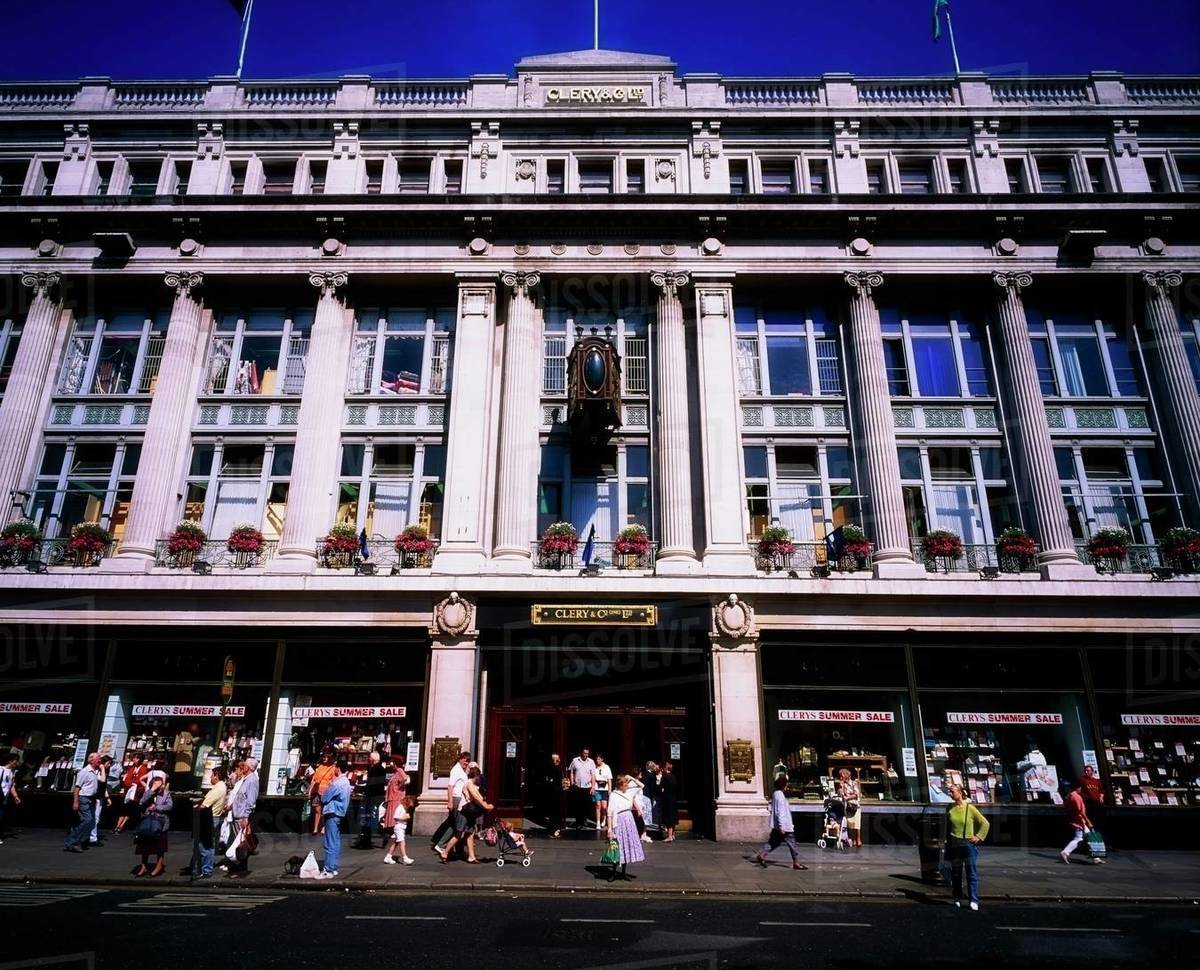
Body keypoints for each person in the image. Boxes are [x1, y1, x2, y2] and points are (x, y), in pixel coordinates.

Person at [944, 784, 989, 911]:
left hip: (968, 844)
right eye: (950, 792)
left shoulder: (970, 808)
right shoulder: (949, 808)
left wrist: (978, 837)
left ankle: (973, 900)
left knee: (971, 874)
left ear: (960, 793)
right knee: (956, 874)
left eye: (952, 792)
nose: (950, 794)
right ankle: (957, 898)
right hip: (954, 844)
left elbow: (985, 823)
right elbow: (947, 827)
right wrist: (946, 843)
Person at [437, 766, 491, 864]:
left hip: (469, 813)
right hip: (463, 812)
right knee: (459, 834)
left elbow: (479, 797)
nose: (479, 779)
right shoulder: (469, 783)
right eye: (478, 776)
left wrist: (485, 804)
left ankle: (471, 856)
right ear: (476, 775)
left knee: (470, 833)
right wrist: (486, 806)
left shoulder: (473, 784)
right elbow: (476, 797)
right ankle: (445, 852)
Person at [754, 774, 805, 870]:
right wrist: (782, 826)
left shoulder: (775, 794)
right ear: (783, 785)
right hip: (785, 826)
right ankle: (796, 862)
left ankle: (762, 855)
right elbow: (780, 812)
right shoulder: (780, 796)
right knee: (792, 844)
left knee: (773, 842)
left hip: (777, 826)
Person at [188, 764, 226, 879]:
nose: (210, 778)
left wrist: (195, 806)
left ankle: (206, 870)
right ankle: (197, 868)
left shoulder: (218, 789)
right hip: (213, 818)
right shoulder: (221, 787)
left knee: (205, 846)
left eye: (212, 776)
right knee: (203, 844)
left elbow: (205, 805)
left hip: (209, 818)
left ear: (217, 776)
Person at [605, 774, 645, 881]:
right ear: (620, 785)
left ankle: (623, 872)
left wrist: (631, 778)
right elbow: (609, 813)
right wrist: (610, 829)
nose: (627, 786)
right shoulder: (613, 795)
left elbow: (642, 785)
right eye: (625, 784)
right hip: (618, 821)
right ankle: (613, 872)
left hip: (629, 820)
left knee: (626, 845)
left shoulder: (629, 792)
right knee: (617, 847)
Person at [225, 757, 259, 879]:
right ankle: (237, 868)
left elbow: (251, 801)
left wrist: (246, 817)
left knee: (241, 845)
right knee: (238, 843)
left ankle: (241, 870)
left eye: (244, 765)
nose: (242, 766)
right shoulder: (246, 779)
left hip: (242, 817)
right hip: (237, 815)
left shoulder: (252, 781)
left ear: (248, 767)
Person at [430, 751, 471, 852]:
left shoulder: (461, 770)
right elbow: (450, 786)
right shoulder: (456, 770)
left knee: (453, 823)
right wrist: (450, 801)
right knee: (456, 824)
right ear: (460, 759)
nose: (466, 763)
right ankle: (441, 844)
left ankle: (443, 844)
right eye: (465, 761)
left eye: (468, 762)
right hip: (456, 799)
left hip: (459, 799)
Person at [133, 775, 172, 878]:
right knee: (144, 846)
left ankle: (159, 866)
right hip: (147, 822)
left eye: (161, 783)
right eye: (157, 783)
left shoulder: (166, 794)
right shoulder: (148, 793)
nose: (160, 786)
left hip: (160, 822)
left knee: (160, 847)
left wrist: (157, 807)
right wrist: (152, 789)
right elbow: (142, 801)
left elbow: (169, 806)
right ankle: (144, 866)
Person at [318, 761, 351, 879]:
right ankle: (334, 867)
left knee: (329, 842)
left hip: (332, 813)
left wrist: (325, 791)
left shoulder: (337, 783)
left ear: (338, 768)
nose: (334, 769)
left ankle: (328, 870)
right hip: (339, 814)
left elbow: (324, 797)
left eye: (335, 767)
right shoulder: (346, 782)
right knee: (336, 841)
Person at [64, 752, 102, 853]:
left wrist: (102, 769)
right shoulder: (85, 771)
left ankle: (77, 841)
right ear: (91, 760)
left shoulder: (95, 771)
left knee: (89, 821)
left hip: (91, 799)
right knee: (87, 820)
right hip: (84, 798)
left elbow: (102, 780)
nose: (100, 760)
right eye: (98, 758)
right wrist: (75, 802)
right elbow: (77, 788)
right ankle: (73, 842)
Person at [1060, 782, 1102, 865]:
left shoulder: (1068, 796)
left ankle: (1096, 857)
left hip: (1076, 819)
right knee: (1079, 838)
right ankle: (1065, 852)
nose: (1081, 789)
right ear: (1077, 787)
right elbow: (1081, 811)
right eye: (1080, 787)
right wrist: (1088, 822)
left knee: (1090, 837)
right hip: (1079, 821)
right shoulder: (1076, 796)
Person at [382, 767, 414, 866]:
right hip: (399, 826)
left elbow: (404, 778)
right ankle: (405, 857)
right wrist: (404, 818)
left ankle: (388, 856)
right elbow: (396, 817)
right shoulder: (400, 807)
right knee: (402, 842)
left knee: (396, 842)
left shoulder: (398, 772)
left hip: (401, 827)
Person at [357, 750, 388, 849]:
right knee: (369, 818)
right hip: (374, 796)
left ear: (373, 759)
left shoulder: (377, 769)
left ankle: (381, 834)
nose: (368, 759)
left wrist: (365, 791)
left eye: (370, 757)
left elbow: (373, 784)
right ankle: (367, 839)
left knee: (371, 818)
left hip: (373, 797)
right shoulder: (375, 768)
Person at [115, 753, 148, 834]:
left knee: (130, 810)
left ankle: (121, 827)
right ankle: (117, 826)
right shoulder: (132, 768)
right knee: (124, 809)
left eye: (136, 758)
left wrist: (134, 783)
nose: (134, 760)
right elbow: (126, 780)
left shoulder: (143, 768)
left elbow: (141, 780)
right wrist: (132, 783)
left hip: (137, 793)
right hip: (128, 791)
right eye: (134, 758)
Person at [307, 747, 337, 836]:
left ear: (330, 758)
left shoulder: (333, 768)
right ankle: (315, 828)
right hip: (317, 791)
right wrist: (310, 791)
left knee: (324, 811)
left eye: (325, 757)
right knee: (317, 810)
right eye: (323, 757)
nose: (323, 758)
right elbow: (314, 780)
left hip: (326, 792)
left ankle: (323, 828)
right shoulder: (320, 767)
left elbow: (334, 781)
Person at [567, 747, 596, 830]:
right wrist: (572, 782)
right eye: (585, 753)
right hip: (578, 786)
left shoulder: (591, 762)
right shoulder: (575, 760)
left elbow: (593, 774)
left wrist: (593, 786)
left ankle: (584, 820)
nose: (586, 755)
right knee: (578, 805)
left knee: (586, 804)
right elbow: (571, 771)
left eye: (587, 753)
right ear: (581, 753)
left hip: (587, 786)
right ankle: (578, 822)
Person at [90, 756, 114, 847]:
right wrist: (102, 769)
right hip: (95, 797)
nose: (109, 765)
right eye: (108, 763)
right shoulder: (98, 772)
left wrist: (107, 798)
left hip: (99, 797)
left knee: (96, 817)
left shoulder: (103, 772)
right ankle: (92, 838)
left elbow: (104, 787)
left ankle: (92, 836)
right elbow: (103, 781)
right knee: (95, 818)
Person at [837, 768, 863, 849]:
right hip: (848, 806)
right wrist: (841, 787)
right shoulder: (842, 784)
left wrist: (848, 797)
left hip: (855, 805)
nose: (840, 778)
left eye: (841, 776)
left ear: (846, 776)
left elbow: (856, 794)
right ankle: (852, 839)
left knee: (857, 824)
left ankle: (858, 839)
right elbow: (840, 794)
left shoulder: (854, 783)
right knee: (850, 823)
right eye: (840, 776)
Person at [542, 752, 565, 838]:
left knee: (555, 812)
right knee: (555, 812)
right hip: (555, 793)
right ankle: (554, 830)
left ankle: (555, 829)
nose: (557, 760)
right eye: (556, 759)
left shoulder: (557, 768)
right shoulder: (555, 768)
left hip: (557, 793)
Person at [628, 766, 653, 844]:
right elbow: (633, 797)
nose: (641, 774)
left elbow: (642, 785)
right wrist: (637, 808)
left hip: (640, 804)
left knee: (643, 821)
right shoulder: (632, 783)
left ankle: (643, 835)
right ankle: (637, 837)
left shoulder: (636, 781)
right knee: (638, 822)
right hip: (635, 806)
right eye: (640, 773)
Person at [0, 753, 21, 842]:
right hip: (0, 795)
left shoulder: (12, 772)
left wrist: (15, 796)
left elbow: (11, 785)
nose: (17, 762)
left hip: (4, 797)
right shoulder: (1, 769)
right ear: (10, 761)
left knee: (1, 817)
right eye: (15, 760)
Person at [658, 760, 679, 842]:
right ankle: (673, 834)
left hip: (667, 799)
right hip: (673, 799)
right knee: (672, 816)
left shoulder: (665, 777)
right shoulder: (673, 776)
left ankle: (669, 836)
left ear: (664, 768)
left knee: (669, 817)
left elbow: (660, 788)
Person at [592, 753, 613, 834]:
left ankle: (603, 819)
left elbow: (609, 779)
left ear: (602, 759)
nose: (597, 761)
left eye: (599, 759)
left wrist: (610, 790)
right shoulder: (594, 767)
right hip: (597, 788)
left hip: (604, 788)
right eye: (596, 759)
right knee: (598, 806)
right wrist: (593, 787)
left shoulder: (606, 767)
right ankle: (597, 822)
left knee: (604, 807)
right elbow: (593, 777)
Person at [642, 761, 660, 836]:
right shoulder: (652, 776)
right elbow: (652, 788)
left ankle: (643, 832)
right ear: (652, 767)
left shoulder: (644, 774)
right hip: (648, 796)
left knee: (644, 813)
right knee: (647, 814)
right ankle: (644, 833)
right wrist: (654, 798)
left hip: (643, 795)